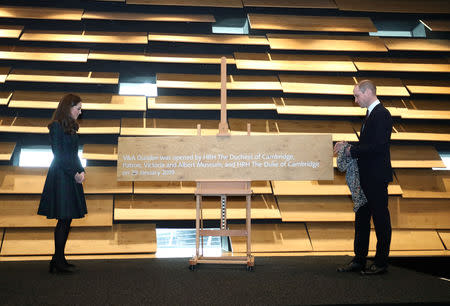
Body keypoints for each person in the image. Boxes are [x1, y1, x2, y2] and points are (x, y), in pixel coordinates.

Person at [334, 80, 393, 275]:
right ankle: (359, 259)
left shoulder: (382, 114)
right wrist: (348, 145)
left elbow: (378, 146)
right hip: (365, 178)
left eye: (357, 95)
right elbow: (367, 144)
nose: (355, 99)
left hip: (376, 178)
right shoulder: (370, 115)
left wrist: (351, 151)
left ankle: (381, 263)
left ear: (368, 92)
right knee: (361, 220)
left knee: (381, 220)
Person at [38, 93, 87, 273]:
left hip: (71, 175)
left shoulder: (72, 127)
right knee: (63, 218)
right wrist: (73, 173)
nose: (80, 112)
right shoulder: (56, 127)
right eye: (78, 108)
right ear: (68, 107)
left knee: (67, 219)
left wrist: (81, 171)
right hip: (61, 176)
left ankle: (58, 259)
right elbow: (58, 155)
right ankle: (57, 261)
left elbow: (74, 154)